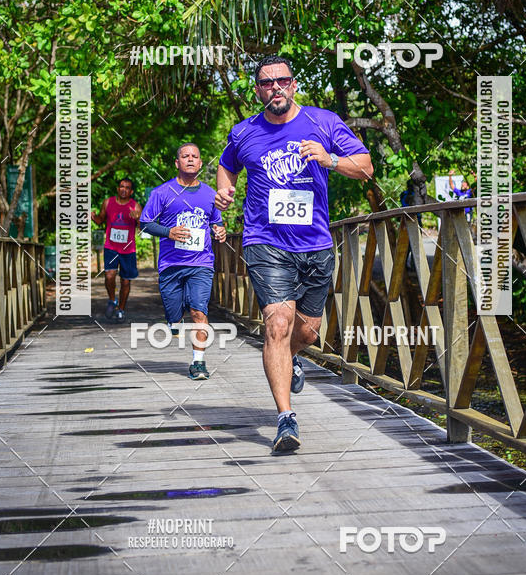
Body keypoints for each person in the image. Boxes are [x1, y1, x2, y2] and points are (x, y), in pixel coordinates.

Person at [215, 55, 373, 452]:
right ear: (258, 90)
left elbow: (366, 167)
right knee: (277, 325)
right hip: (265, 241)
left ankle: (291, 359)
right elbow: (226, 166)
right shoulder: (244, 132)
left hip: (316, 243)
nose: (276, 89)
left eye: (282, 81)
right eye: (267, 83)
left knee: (306, 331)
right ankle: (286, 419)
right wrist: (225, 190)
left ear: (294, 84)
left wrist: (330, 159)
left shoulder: (324, 122)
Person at [140, 143, 226, 380]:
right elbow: (145, 223)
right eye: (185, 156)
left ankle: (198, 363)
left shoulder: (210, 194)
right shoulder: (162, 192)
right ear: (177, 163)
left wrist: (220, 232)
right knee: (174, 315)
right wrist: (169, 232)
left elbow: (217, 223)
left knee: (199, 311)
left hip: (201, 263)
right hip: (171, 264)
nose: (190, 159)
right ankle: (173, 321)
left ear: (200, 163)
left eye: (195, 156)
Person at [91, 178, 141, 322]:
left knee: (125, 282)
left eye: (127, 187)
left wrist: (138, 219)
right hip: (111, 247)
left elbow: (143, 228)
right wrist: (94, 217)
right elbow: (101, 220)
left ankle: (121, 309)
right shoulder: (108, 202)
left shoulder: (135, 206)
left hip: (128, 249)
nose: (124, 189)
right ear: (118, 189)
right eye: (121, 187)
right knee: (109, 276)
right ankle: (112, 300)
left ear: (131, 191)